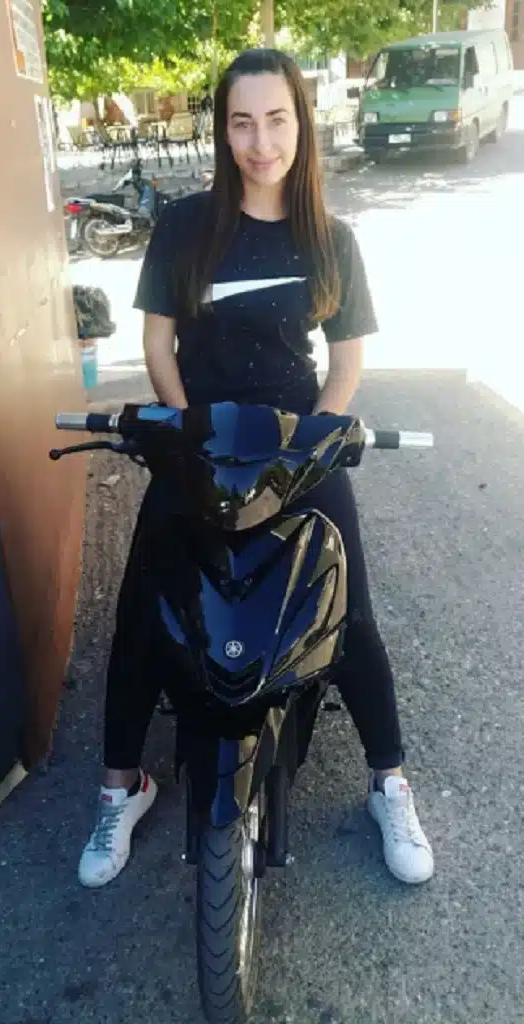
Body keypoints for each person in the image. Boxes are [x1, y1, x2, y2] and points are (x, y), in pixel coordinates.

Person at [78, 49, 435, 890]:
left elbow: (345, 360)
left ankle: (389, 781)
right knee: (141, 614)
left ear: (301, 125)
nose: (260, 142)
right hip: (198, 442)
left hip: (296, 447)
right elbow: (158, 344)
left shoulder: (330, 238)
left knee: (348, 612)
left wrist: (318, 437)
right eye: (242, 123)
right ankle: (121, 786)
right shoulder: (184, 226)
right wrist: (179, 433)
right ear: (222, 131)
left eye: (276, 120)